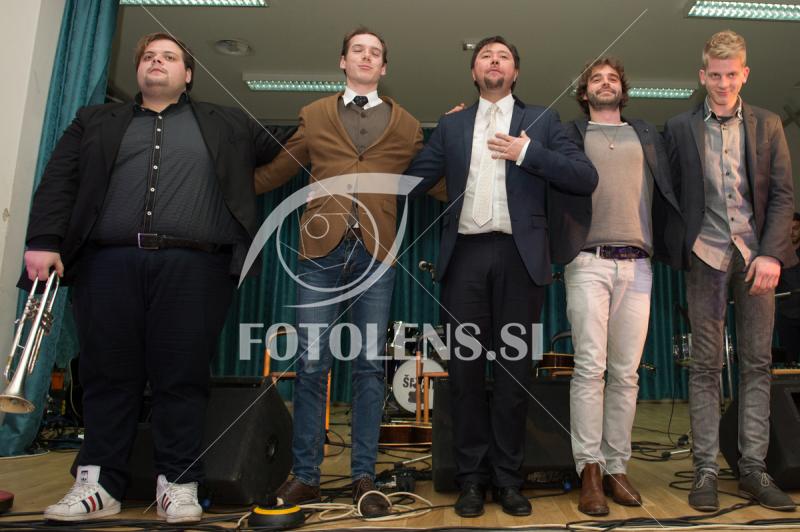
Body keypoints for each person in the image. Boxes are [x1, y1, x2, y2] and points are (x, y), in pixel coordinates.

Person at [22, 33, 283, 523]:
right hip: (107, 264)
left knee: (182, 377)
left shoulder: (228, 122)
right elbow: (59, 181)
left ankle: (178, 484)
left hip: (196, 267)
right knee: (106, 375)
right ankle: (98, 486)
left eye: (169, 57)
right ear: (139, 70)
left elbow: (296, 144)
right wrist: (42, 240)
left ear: (188, 75)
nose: (156, 62)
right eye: (148, 56)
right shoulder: (93, 121)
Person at [253, 27, 444, 518]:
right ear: (343, 61)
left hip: (377, 255)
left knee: (368, 367)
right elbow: (278, 169)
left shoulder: (407, 125)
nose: (366, 56)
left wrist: (471, 153)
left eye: (375, 52)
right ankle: (306, 477)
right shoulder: (315, 114)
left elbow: (432, 180)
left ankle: (364, 476)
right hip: (320, 253)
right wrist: (229, 185)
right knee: (312, 365)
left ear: (384, 67)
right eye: (358, 50)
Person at [406, 35, 598, 518]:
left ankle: (509, 479)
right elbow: (412, 181)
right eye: (485, 57)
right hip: (465, 258)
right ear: (474, 73)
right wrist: (426, 134)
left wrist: (528, 153)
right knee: (465, 375)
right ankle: (471, 480)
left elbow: (584, 177)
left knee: (514, 376)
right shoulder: (452, 125)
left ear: (515, 73)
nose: (494, 61)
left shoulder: (544, 121)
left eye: (504, 57)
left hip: (520, 258)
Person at [664, 30, 797, 513]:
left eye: (731, 75)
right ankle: (704, 469)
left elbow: (782, 194)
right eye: (715, 75)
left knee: (757, 363)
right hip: (706, 254)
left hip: (756, 256)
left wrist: (773, 254)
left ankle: (753, 470)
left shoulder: (769, 124)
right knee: (705, 366)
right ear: (703, 76)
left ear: (745, 74)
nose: (723, 84)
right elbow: (667, 189)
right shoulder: (679, 127)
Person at [554, 56, 681, 516]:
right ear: (584, 92)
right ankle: (588, 468)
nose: (605, 83)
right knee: (591, 368)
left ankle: (616, 467)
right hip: (588, 261)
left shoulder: (646, 134)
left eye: (612, 79)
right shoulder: (570, 134)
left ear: (623, 91)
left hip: (638, 265)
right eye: (596, 79)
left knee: (626, 374)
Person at [775, 212, 800, 366]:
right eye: (788, 229)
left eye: (796, 228)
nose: (792, 232)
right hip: (786, 315)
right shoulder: (777, 254)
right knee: (790, 362)